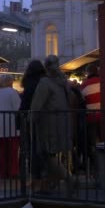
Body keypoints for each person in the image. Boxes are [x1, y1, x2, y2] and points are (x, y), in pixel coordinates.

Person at [30, 55, 76, 195]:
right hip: (63, 121)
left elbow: (37, 105)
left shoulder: (45, 83)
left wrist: (30, 118)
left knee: (47, 153)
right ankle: (51, 184)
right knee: (54, 153)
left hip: (49, 123)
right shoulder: (63, 82)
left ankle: (69, 178)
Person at [0, 74, 21, 179]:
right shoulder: (13, 92)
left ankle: (4, 172)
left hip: (0, 125)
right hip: (12, 125)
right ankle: (13, 172)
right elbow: (18, 107)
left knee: (3, 150)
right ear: (10, 82)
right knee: (13, 150)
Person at [20, 60, 47, 189]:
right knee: (44, 149)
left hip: (32, 119)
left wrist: (20, 118)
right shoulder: (45, 81)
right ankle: (45, 179)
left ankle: (36, 179)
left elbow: (25, 102)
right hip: (46, 119)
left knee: (33, 149)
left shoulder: (30, 83)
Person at [80, 64, 101, 176]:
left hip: (91, 118)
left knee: (93, 144)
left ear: (88, 73)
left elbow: (81, 101)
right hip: (104, 117)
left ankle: (96, 168)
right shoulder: (103, 81)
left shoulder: (84, 85)